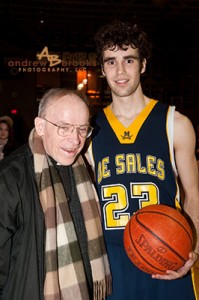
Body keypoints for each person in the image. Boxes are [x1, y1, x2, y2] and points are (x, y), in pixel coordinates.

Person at [86, 20, 199, 300]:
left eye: (129, 60)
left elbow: (194, 195)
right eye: (111, 62)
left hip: (167, 256)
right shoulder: (88, 130)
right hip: (111, 262)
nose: (120, 71)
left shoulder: (176, 123)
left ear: (143, 65)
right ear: (102, 69)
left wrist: (193, 249)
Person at [0, 88, 111, 300]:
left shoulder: (83, 172)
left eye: (82, 129)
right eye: (64, 127)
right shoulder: (9, 178)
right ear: (40, 126)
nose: (76, 139)